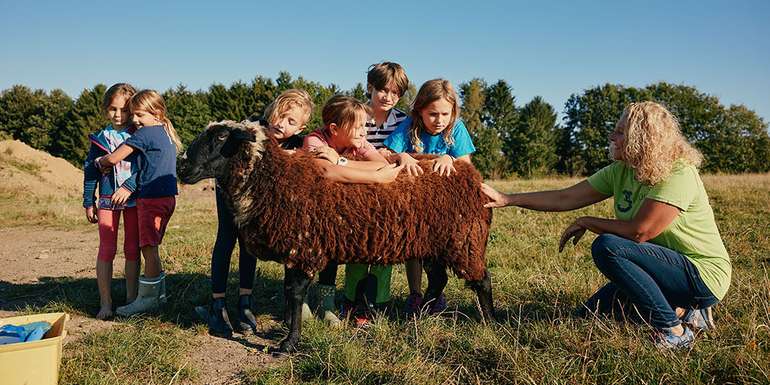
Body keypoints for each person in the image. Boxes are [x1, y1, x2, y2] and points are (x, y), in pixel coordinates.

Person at [482, 101, 731, 349]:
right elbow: (565, 197)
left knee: (608, 246)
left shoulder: (679, 173)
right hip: (658, 268)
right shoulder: (620, 171)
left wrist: (588, 221)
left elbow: (640, 231)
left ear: (644, 138)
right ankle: (685, 311)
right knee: (587, 317)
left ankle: (675, 331)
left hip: (701, 275)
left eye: (621, 132)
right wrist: (508, 199)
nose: (612, 137)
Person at [206, 89, 314, 338]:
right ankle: (217, 303)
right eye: (279, 115)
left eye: (291, 122)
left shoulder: (298, 143)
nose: (281, 124)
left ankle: (245, 302)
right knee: (226, 238)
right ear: (270, 111)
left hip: (259, 203)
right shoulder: (251, 130)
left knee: (248, 243)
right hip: (231, 191)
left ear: (300, 127)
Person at [303, 95, 403, 326]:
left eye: (364, 126)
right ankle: (302, 301)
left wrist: (342, 161)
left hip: (337, 212)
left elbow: (382, 164)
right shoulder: (315, 141)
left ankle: (326, 303)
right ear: (334, 129)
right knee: (309, 254)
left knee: (333, 253)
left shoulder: (357, 141)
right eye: (357, 126)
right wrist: (376, 177)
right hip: (310, 210)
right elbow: (327, 173)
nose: (362, 132)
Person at [383, 79, 476, 317]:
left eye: (445, 113)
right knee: (413, 248)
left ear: (453, 112)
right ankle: (414, 293)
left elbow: (466, 164)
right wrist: (401, 156)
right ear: (420, 110)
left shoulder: (456, 128)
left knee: (437, 249)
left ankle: (436, 292)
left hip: (444, 204)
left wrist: (449, 159)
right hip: (413, 201)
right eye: (433, 114)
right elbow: (387, 155)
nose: (439, 120)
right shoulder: (408, 127)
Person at [96, 89, 183, 316]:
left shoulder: (145, 134)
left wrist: (100, 161)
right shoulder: (164, 132)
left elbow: (114, 157)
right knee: (152, 247)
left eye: (139, 115)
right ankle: (160, 294)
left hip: (150, 199)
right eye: (133, 115)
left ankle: (148, 300)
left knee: (148, 249)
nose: (135, 120)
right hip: (167, 198)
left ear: (157, 113)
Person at [342, 62, 411, 324]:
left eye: (395, 93)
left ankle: (376, 303)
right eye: (383, 90)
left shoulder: (403, 121)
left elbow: (405, 155)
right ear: (370, 87)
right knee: (357, 245)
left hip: (389, 192)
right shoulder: (356, 116)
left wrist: (391, 156)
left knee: (385, 245)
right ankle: (351, 299)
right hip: (357, 188)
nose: (388, 97)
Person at [83, 83, 140, 320]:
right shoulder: (99, 140)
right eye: (113, 109)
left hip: (134, 200)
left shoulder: (140, 136)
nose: (118, 115)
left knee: (132, 249)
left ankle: (131, 301)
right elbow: (90, 171)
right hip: (106, 200)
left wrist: (129, 186)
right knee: (107, 249)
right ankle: (105, 303)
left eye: (124, 110)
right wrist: (89, 200)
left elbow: (145, 168)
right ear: (105, 109)